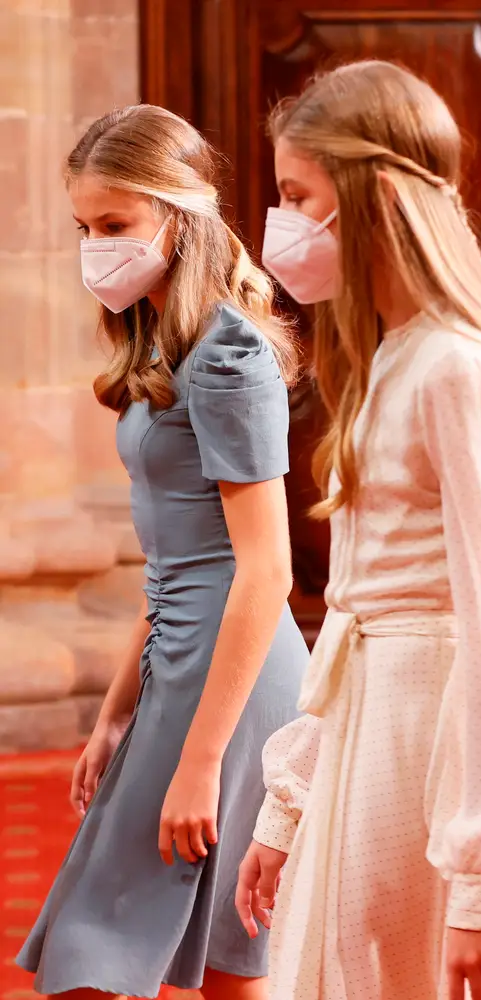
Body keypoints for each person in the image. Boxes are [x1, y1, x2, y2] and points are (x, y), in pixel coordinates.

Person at [235, 60, 481, 1000]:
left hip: (434, 741)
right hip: (368, 727)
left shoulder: (458, 368)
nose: (283, 227)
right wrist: (286, 808)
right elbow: (348, 613)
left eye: (298, 195)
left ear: (371, 193)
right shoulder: (391, 361)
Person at [16, 104, 309, 1000]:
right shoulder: (162, 346)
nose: (96, 247)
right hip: (174, 666)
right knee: (191, 956)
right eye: (83, 228)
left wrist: (198, 757)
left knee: (163, 957)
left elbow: (266, 570)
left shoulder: (228, 357)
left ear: (176, 218)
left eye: (115, 226)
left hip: (232, 680)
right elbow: (169, 560)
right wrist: (116, 710)